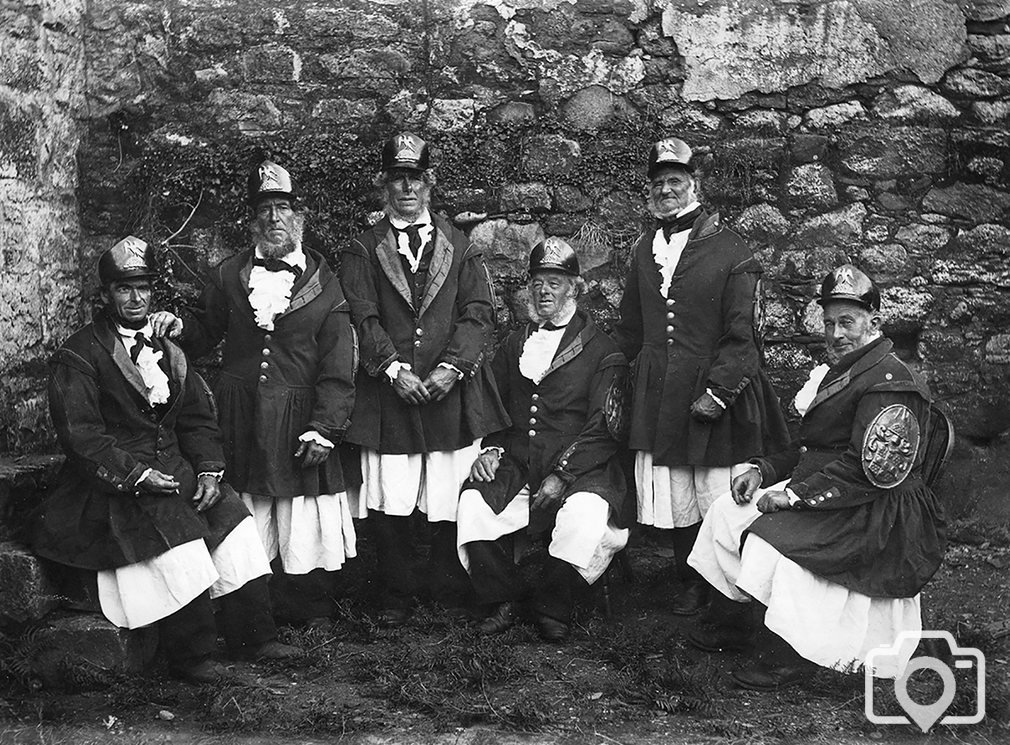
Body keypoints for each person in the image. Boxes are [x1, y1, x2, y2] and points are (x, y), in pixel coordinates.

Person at [29, 237, 301, 684]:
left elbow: (196, 419)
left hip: (174, 472)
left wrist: (210, 471)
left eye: (144, 288)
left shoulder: (169, 350)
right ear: (105, 294)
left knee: (234, 520)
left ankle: (255, 637)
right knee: (178, 538)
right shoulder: (79, 354)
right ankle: (192, 657)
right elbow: (83, 438)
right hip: (111, 484)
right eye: (123, 288)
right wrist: (135, 475)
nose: (136, 299)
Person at [686, 265, 947, 690]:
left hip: (877, 508)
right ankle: (734, 622)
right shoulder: (845, 368)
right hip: (833, 487)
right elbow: (812, 446)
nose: (836, 333)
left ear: (874, 321)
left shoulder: (889, 381)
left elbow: (873, 470)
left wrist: (795, 498)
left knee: (774, 540)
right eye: (829, 323)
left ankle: (788, 656)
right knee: (725, 512)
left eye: (847, 322)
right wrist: (763, 470)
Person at [150, 161, 358, 628]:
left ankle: (306, 606)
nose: (274, 219)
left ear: (299, 219)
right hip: (239, 412)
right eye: (264, 210)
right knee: (246, 501)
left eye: (283, 208)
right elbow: (203, 331)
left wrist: (325, 428)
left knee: (299, 510)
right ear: (252, 221)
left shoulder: (327, 287)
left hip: (299, 415)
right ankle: (245, 604)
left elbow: (338, 365)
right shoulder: (228, 275)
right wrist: (177, 327)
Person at [613, 136, 789, 616]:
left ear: (695, 184)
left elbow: (743, 334)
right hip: (658, 391)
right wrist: (605, 373)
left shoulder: (733, 250)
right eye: (658, 182)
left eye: (675, 181)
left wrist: (720, 391)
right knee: (675, 493)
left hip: (713, 389)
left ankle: (730, 593)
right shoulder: (642, 249)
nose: (666, 190)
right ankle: (689, 579)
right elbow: (630, 327)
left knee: (714, 490)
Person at [339, 132, 508, 626]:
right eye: (397, 178)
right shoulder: (363, 249)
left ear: (430, 183)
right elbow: (361, 317)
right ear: (384, 185)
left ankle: (443, 586)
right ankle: (394, 595)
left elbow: (478, 313)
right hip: (389, 390)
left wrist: (451, 367)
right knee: (391, 493)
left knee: (446, 490)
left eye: (415, 177)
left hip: (447, 388)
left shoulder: (460, 245)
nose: (406, 187)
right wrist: (393, 369)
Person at [456, 238, 631, 641]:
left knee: (583, 517)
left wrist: (563, 475)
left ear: (575, 287)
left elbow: (605, 428)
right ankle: (503, 598)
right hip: (520, 462)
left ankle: (554, 605)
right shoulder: (516, 343)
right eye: (537, 282)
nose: (544, 291)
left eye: (555, 282)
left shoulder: (602, 350)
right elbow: (494, 404)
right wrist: (492, 449)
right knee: (473, 502)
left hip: (584, 467)